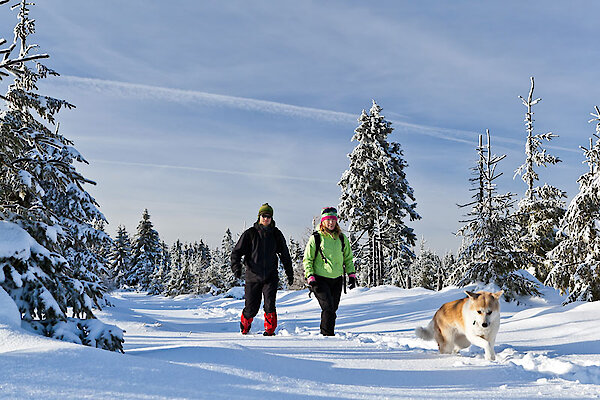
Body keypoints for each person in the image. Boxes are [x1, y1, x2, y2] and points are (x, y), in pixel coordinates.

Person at [231, 203, 293, 336]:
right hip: (253, 277)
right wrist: (236, 267)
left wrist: (289, 272)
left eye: (269, 216)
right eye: (264, 216)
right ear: (259, 217)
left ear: (272, 218)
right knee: (251, 308)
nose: (266, 219)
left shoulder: (276, 234)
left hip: (270, 276)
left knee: (270, 305)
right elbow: (236, 252)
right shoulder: (250, 234)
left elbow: (285, 254)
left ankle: (270, 332)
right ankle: (245, 325)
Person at [303, 207, 356, 336]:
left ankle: (327, 333)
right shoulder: (316, 238)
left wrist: (351, 275)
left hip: (337, 279)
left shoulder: (342, 238)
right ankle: (327, 335)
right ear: (323, 222)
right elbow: (307, 259)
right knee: (328, 307)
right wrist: (310, 276)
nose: (331, 223)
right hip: (319, 279)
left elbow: (348, 258)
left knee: (333, 308)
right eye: (328, 220)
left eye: (333, 220)